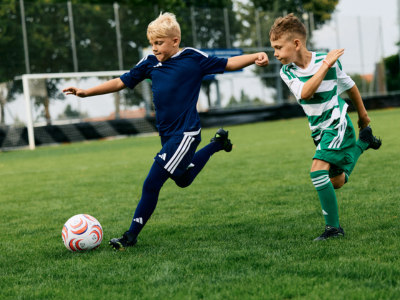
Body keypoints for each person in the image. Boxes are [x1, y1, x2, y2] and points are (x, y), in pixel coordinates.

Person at [63, 12, 269, 250]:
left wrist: (255, 56)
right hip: (167, 136)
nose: (155, 48)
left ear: (175, 41)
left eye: (159, 43)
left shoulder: (192, 57)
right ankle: (218, 143)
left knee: (152, 183)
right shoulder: (150, 62)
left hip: (186, 133)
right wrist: (85, 92)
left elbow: (228, 63)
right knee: (183, 179)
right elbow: (121, 81)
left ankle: (130, 237)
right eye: (152, 43)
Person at [269, 14, 381, 241]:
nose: (276, 53)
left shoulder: (328, 60)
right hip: (318, 130)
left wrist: (363, 115)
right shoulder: (288, 71)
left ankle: (333, 229)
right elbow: (305, 92)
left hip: (337, 124)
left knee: (317, 170)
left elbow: (350, 87)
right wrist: (326, 64)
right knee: (336, 182)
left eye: (279, 47)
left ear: (296, 43)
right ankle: (363, 143)